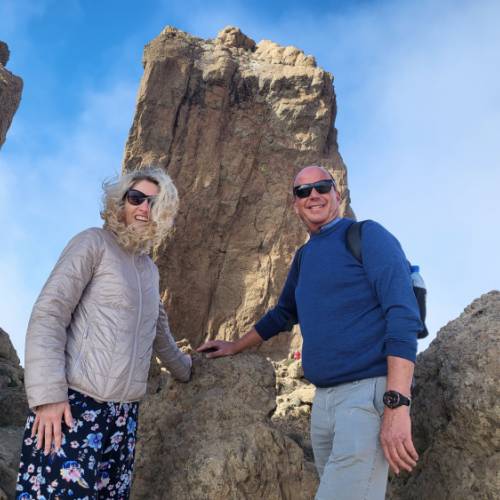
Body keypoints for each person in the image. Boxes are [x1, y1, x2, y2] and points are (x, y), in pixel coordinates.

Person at [198, 165, 421, 500]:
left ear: (337, 194)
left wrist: (397, 404)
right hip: (323, 404)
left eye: (322, 187)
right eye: (303, 191)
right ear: (295, 204)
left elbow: (403, 315)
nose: (313, 195)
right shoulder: (304, 257)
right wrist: (235, 346)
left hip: (366, 397)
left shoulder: (367, 235)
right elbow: (283, 314)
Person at [16, 167, 191, 500]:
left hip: (123, 420)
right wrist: (48, 397)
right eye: (136, 198)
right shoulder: (92, 243)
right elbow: (49, 313)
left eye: (154, 203)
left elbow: (160, 333)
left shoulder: (149, 271)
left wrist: (190, 369)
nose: (144, 208)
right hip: (72, 408)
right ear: (120, 202)